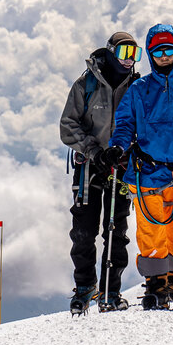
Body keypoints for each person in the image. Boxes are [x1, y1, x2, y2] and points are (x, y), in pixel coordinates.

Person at [104, 25, 173, 309]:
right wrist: (118, 145)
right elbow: (125, 124)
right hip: (147, 172)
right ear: (151, 54)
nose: (164, 55)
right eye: (157, 51)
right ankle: (156, 286)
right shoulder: (139, 90)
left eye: (169, 50)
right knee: (151, 231)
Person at [59, 31, 141, 314]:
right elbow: (68, 125)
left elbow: (145, 126)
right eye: (124, 53)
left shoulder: (138, 86)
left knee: (117, 230)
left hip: (121, 166)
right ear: (110, 53)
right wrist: (95, 151)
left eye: (134, 54)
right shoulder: (87, 83)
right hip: (89, 167)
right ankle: (84, 287)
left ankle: (111, 290)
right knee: (83, 230)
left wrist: (125, 152)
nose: (129, 60)